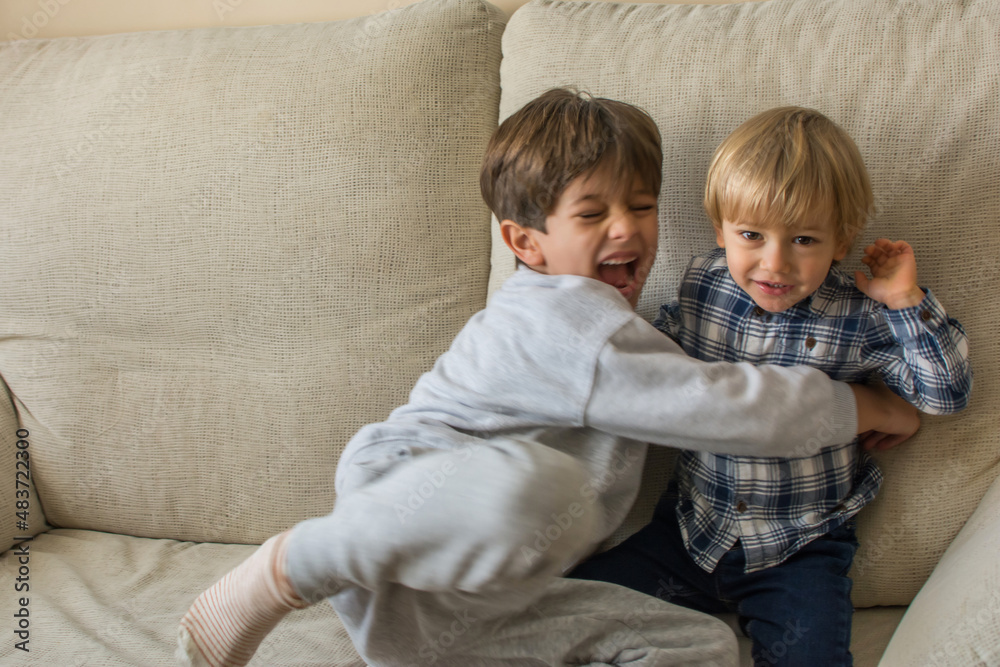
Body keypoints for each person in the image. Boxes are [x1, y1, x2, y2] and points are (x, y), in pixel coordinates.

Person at [177, 91, 922, 667]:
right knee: (541, 487)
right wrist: (862, 404)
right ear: (525, 242)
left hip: (474, 619)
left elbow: (678, 374)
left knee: (696, 647)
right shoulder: (565, 320)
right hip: (411, 517)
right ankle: (287, 566)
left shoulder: (628, 335)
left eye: (641, 205)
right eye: (593, 213)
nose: (628, 229)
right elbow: (734, 406)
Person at [569, 106, 972, 666]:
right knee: (571, 608)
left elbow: (945, 395)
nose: (774, 263)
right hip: (689, 532)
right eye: (751, 235)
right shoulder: (705, 282)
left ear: (841, 240)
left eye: (804, 239)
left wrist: (905, 303)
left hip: (799, 548)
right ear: (720, 230)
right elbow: (661, 358)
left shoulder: (860, 317)